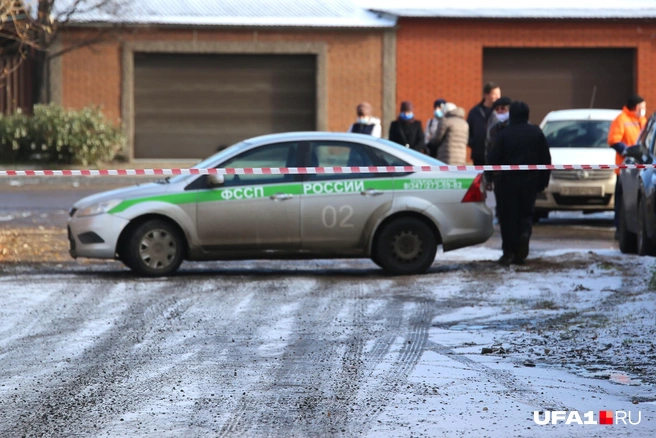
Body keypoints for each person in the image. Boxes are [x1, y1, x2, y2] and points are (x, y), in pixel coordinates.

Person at [487, 101, 552, 266]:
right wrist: (543, 182)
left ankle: (508, 252)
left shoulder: (503, 134)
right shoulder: (536, 133)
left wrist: (488, 178)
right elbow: (546, 159)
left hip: (506, 184)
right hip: (529, 182)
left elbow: (493, 159)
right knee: (526, 214)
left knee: (507, 218)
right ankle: (524, 236)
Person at [608, 94, 647, 238]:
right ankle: (620, 228)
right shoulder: (621, 120)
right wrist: (627, 152)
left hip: (641, 167)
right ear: (636, 107)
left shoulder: (643, 121)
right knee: (622, 200)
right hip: (625, 168)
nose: (644, 110)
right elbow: (613, 140)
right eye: (642, 107)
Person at [467, 82, 501, 165]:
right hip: (479, 155)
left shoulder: (500, 112)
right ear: (486, 95)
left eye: (499, 94)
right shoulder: (475, 112)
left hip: (496, 154)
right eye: (494, 94)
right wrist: (474, 143)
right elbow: (467, 130)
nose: (498, 97)